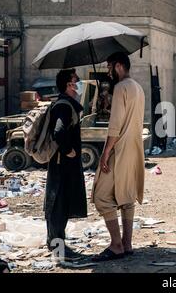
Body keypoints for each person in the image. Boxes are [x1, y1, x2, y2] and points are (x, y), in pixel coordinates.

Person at [91, 52, 145, 261]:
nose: (108, 71)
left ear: (119, 66)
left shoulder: (121, 87)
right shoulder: (138, 88)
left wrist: (105, 153)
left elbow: (115, 126)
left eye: (109, 66)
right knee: (127, 195)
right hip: (134, 148)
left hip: (119, 148)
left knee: (102, 196)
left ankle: (116, 245)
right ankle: (127, 244)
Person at [45, 69, 87, 261]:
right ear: (69, 85)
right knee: (58, 205)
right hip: (62, 163)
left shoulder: (68, 104)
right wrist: (68, 150)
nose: (79, 83)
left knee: (59, 203)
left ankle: (54, 242)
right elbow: (59, 133)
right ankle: (57, 247)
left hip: (63, 163)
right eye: (76, 80)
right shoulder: (63, 106)